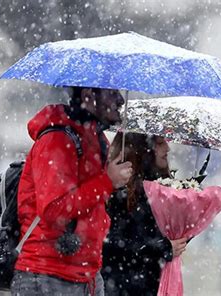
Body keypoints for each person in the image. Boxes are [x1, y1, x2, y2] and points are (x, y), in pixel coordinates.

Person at [11, 88, 133, 296]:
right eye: (112, 93)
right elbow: (54, 209)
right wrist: (107, 182)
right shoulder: (57, 139)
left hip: (88, 276)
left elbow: (90, 204)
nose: (120, 99)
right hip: (48, 277)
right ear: (87, 95)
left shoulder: (96, 139)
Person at [101, 132, 187, 296]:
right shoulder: (119, 189)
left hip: (151, 283)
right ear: (143, 148)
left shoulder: (161, 187)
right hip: (120, 286)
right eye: (161, 143)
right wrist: (163, 247)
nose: (167, 149)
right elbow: (112, 242)